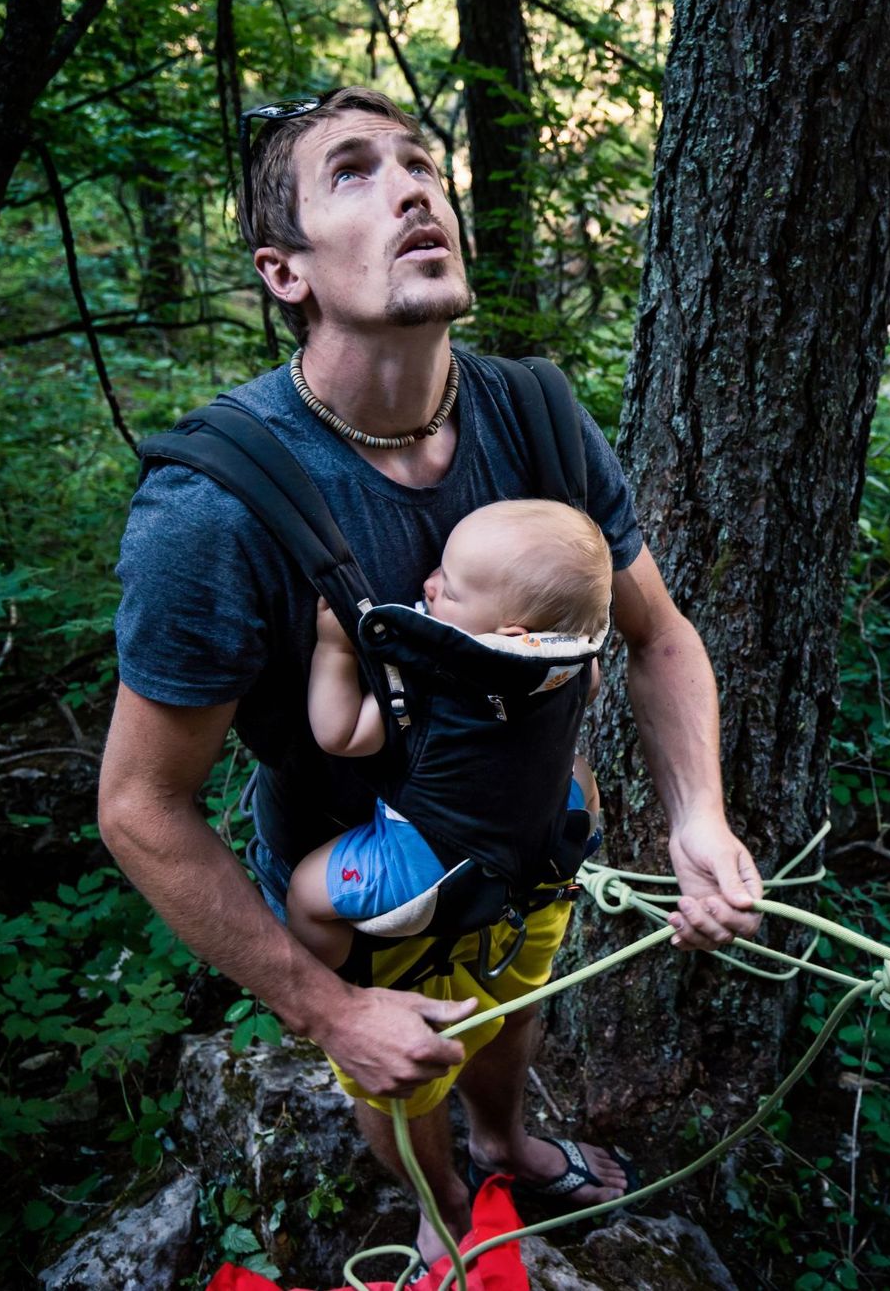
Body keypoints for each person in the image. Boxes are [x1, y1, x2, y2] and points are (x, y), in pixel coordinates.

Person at [95, 86, 762, 1271]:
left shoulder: (536, 417)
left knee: (507, 1001)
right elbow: (141, 807)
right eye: (352, 172)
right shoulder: (214, 504)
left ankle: (507, 1140)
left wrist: (696, 816)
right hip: (365, 884)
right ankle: (440, 1200)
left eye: (420, 162)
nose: (413, 187)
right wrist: (332, 1012)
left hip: (531, 836)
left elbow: (657, 635)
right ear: (283, 271)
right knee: (404, 1057)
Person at [287, 498, 609, 972]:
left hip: (437, 868)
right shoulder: (579, 660)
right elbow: (592, 688)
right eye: (440, 567)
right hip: (550, 836)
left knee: (305, 894)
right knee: (577, 770)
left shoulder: (434, 680)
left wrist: (335, 649)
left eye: (450, 592)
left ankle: (333, 990)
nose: (429, 584)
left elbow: (342, 735)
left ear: (511, 631)